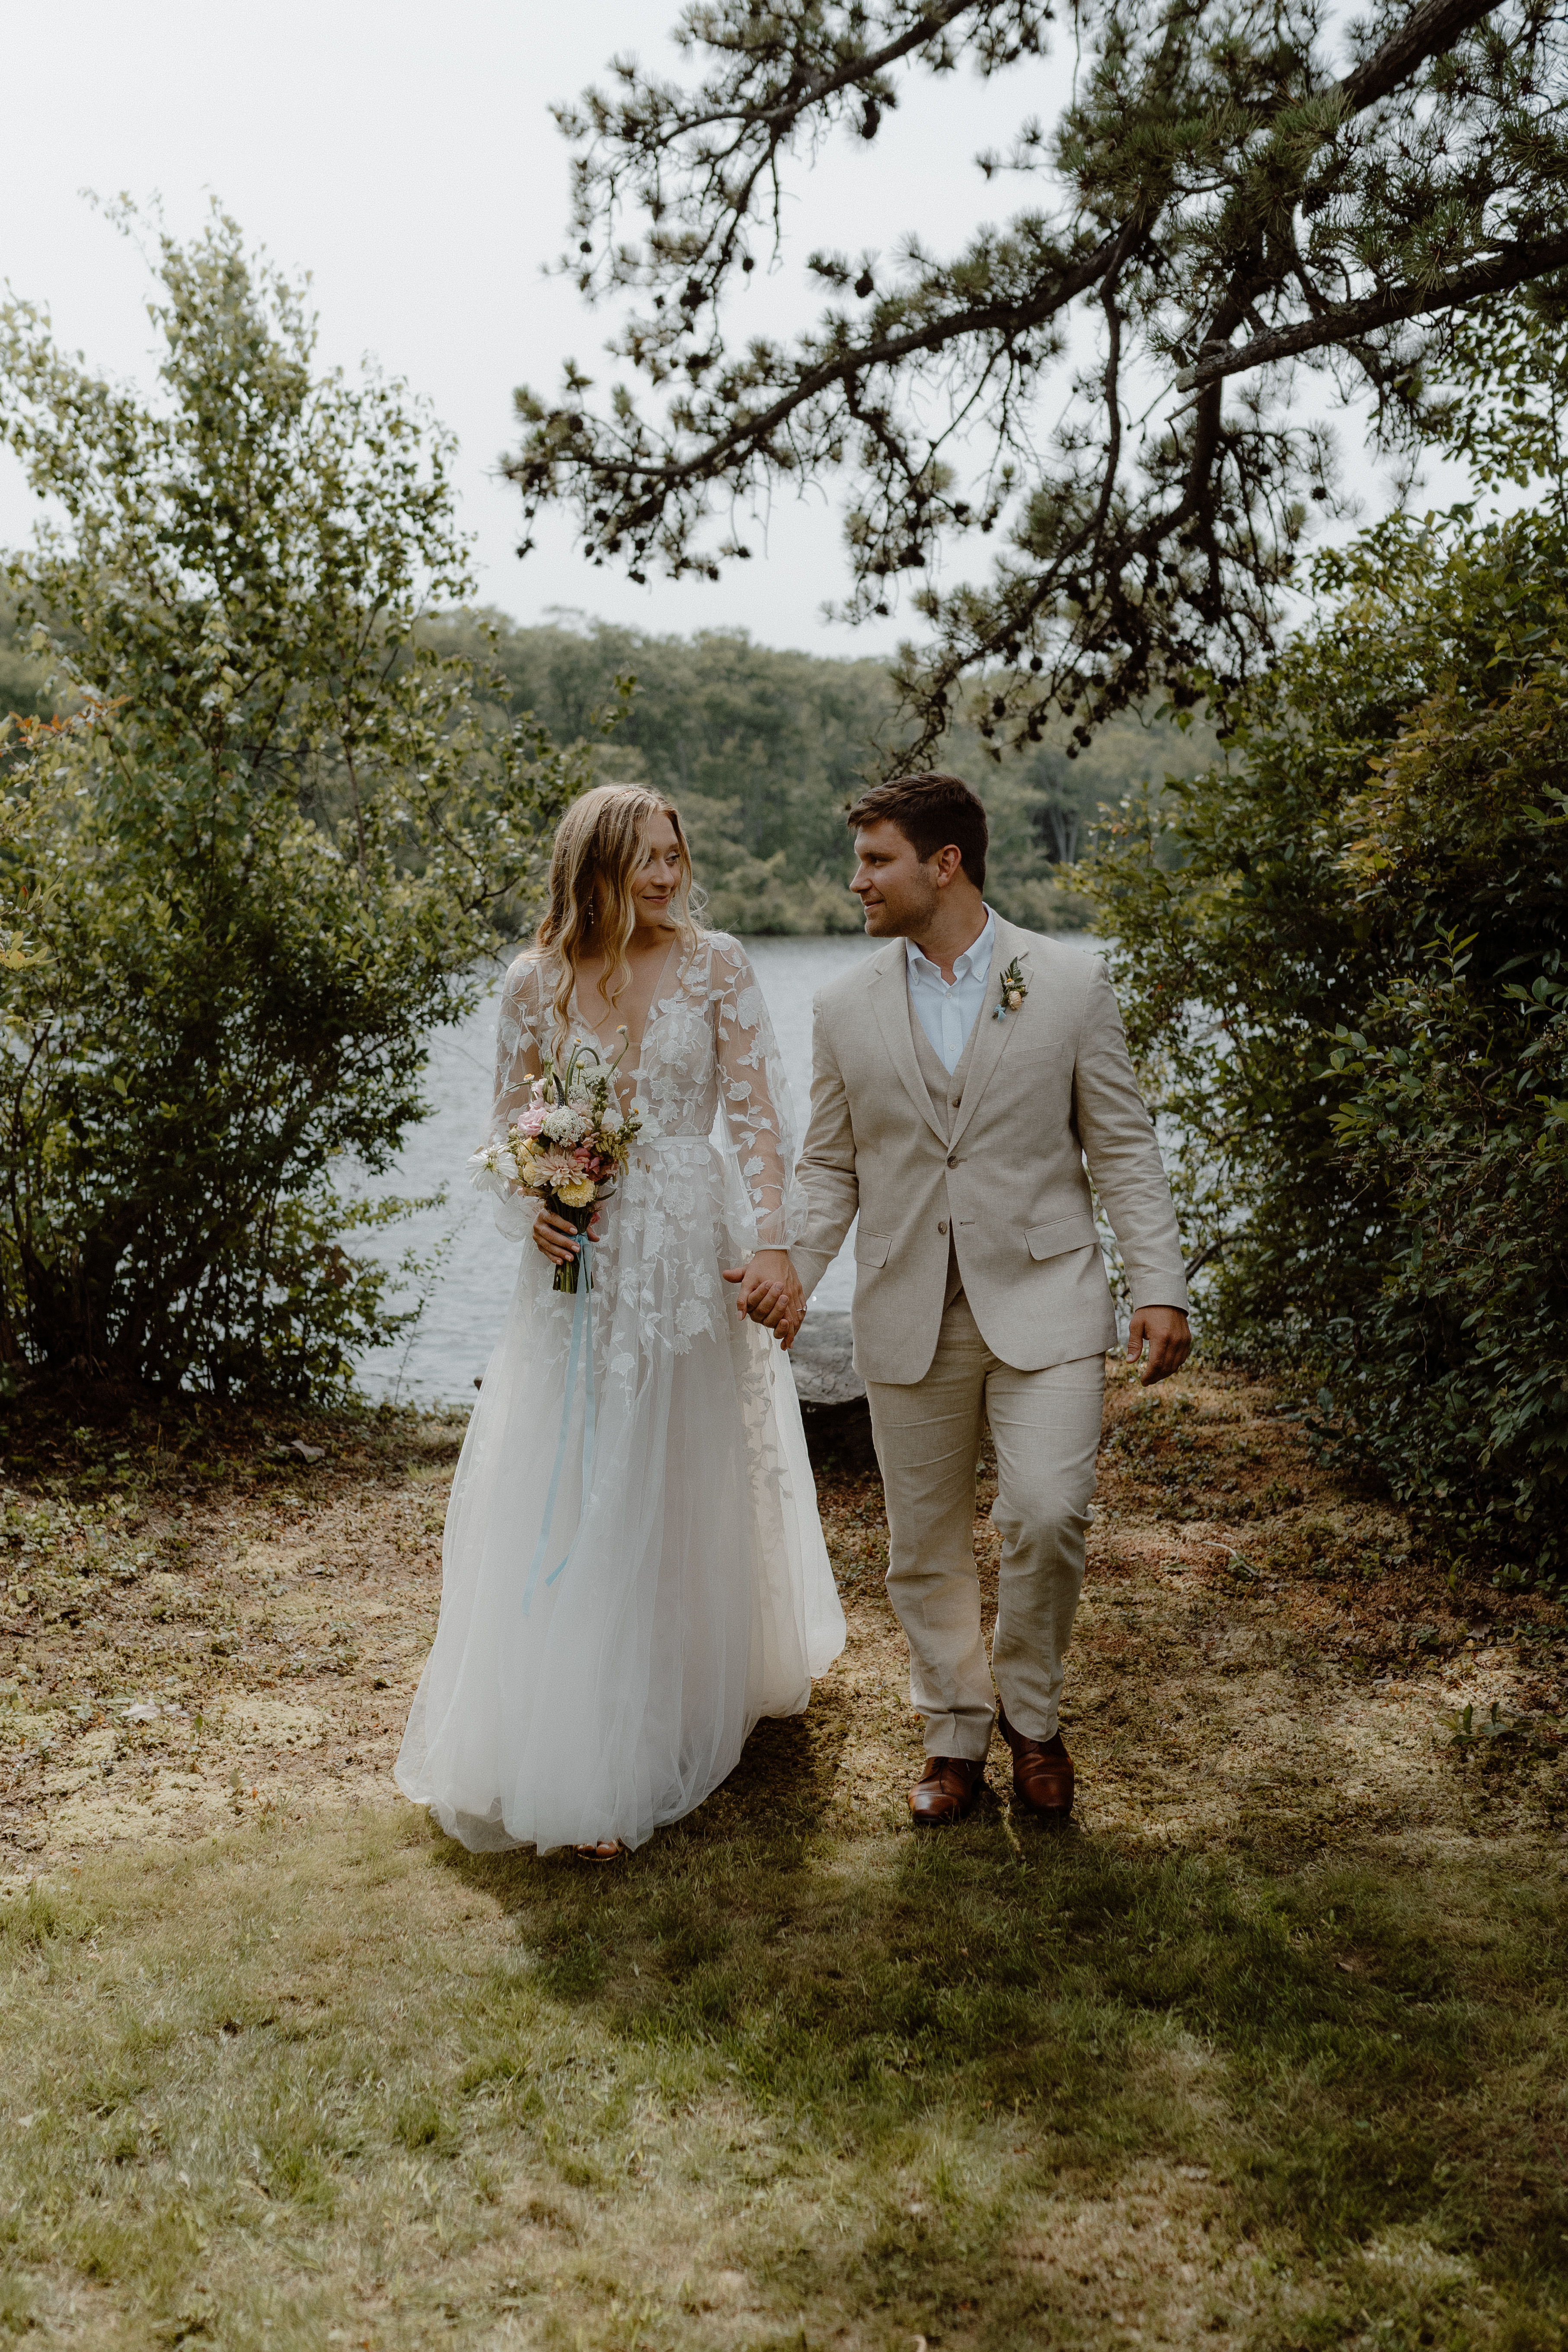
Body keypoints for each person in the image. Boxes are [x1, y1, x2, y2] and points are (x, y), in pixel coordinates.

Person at [396, 784, 845, 1860]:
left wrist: (774, 1244)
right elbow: (509, 1121)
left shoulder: (719, 963)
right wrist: (538, 1206)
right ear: (592, 866)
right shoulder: (532, 982)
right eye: (642, 857)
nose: (664, 874)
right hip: (581, 1257)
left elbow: (757, 1118)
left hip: (689, 1248)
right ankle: (578, 1727)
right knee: (574, 1467)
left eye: (673, 853)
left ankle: (676, 1697)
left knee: (678, 1468)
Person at [740, 774, 1189, 1827]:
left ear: (944, 864)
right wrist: (793, 1267)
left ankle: (1032, 1715)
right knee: (922, 1545)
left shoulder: (1068, 983)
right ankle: (953, 1735)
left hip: (1047, 1297)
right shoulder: (842, 1004)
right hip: (906, 1305)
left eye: (875, 860)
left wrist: (1158, 1284)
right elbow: (829, 1168)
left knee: (1047, 1513)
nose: (857, 881)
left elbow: (1121, 1147)